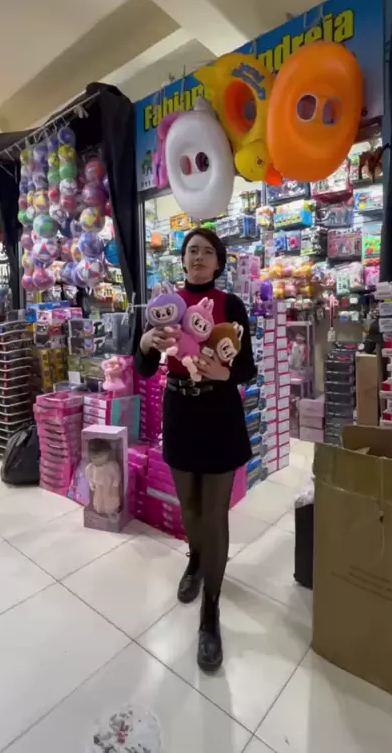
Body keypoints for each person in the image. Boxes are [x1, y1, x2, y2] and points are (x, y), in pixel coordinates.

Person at [135, 228, 256, 672]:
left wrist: (225, 375)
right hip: (180, 411)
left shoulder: (232, 305)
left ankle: (211, 611)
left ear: (219, 262)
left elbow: (247, 366)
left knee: (215, 513)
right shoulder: (166, 302)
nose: (199, 257)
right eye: (192, 251)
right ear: (183, 260)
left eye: (207, 251)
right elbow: (145, 365)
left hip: (220, 412)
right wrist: (145, 343)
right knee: (189, 506)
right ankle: (197, 560)